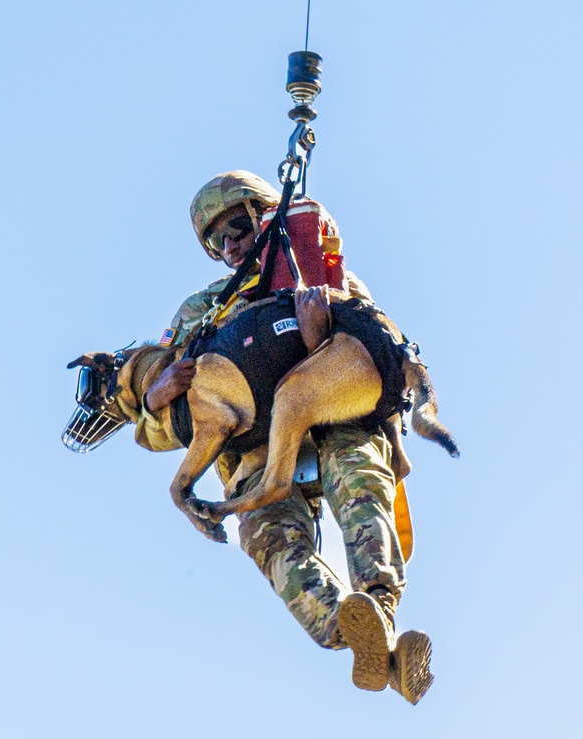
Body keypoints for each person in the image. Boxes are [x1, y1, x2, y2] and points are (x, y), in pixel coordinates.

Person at [134, 171, 433, 704]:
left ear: (265, 217)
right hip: (253, 452)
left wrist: (319, 333)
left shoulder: (323, 274)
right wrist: (155, 399)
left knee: (358, 484)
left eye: (239, 227)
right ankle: (370, 645)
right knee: (273, 544)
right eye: (217, 240)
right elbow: (175, 424)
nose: (231, 246)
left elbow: (374, 350)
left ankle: (380, 606)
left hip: (336, 419)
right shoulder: (200, 312)